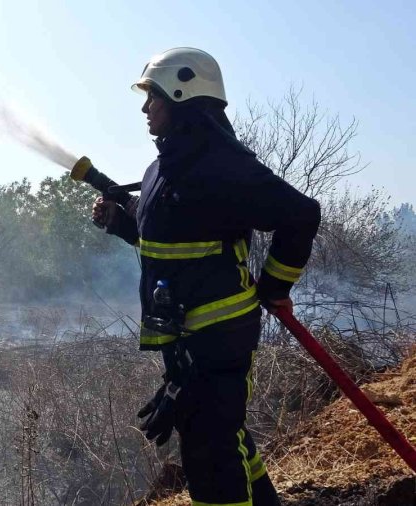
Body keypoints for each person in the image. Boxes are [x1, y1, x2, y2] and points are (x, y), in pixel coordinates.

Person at [91, 47, 320, 506]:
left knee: (210, 454)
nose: (144, 108)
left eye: (152, 97)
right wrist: (118, 223)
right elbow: (165, 238)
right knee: (221, 438)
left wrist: (274, 287)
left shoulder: (224, 166)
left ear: (181, 95)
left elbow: (301, 214)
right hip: (185, 337)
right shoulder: (161, 169)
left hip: (219, 337)